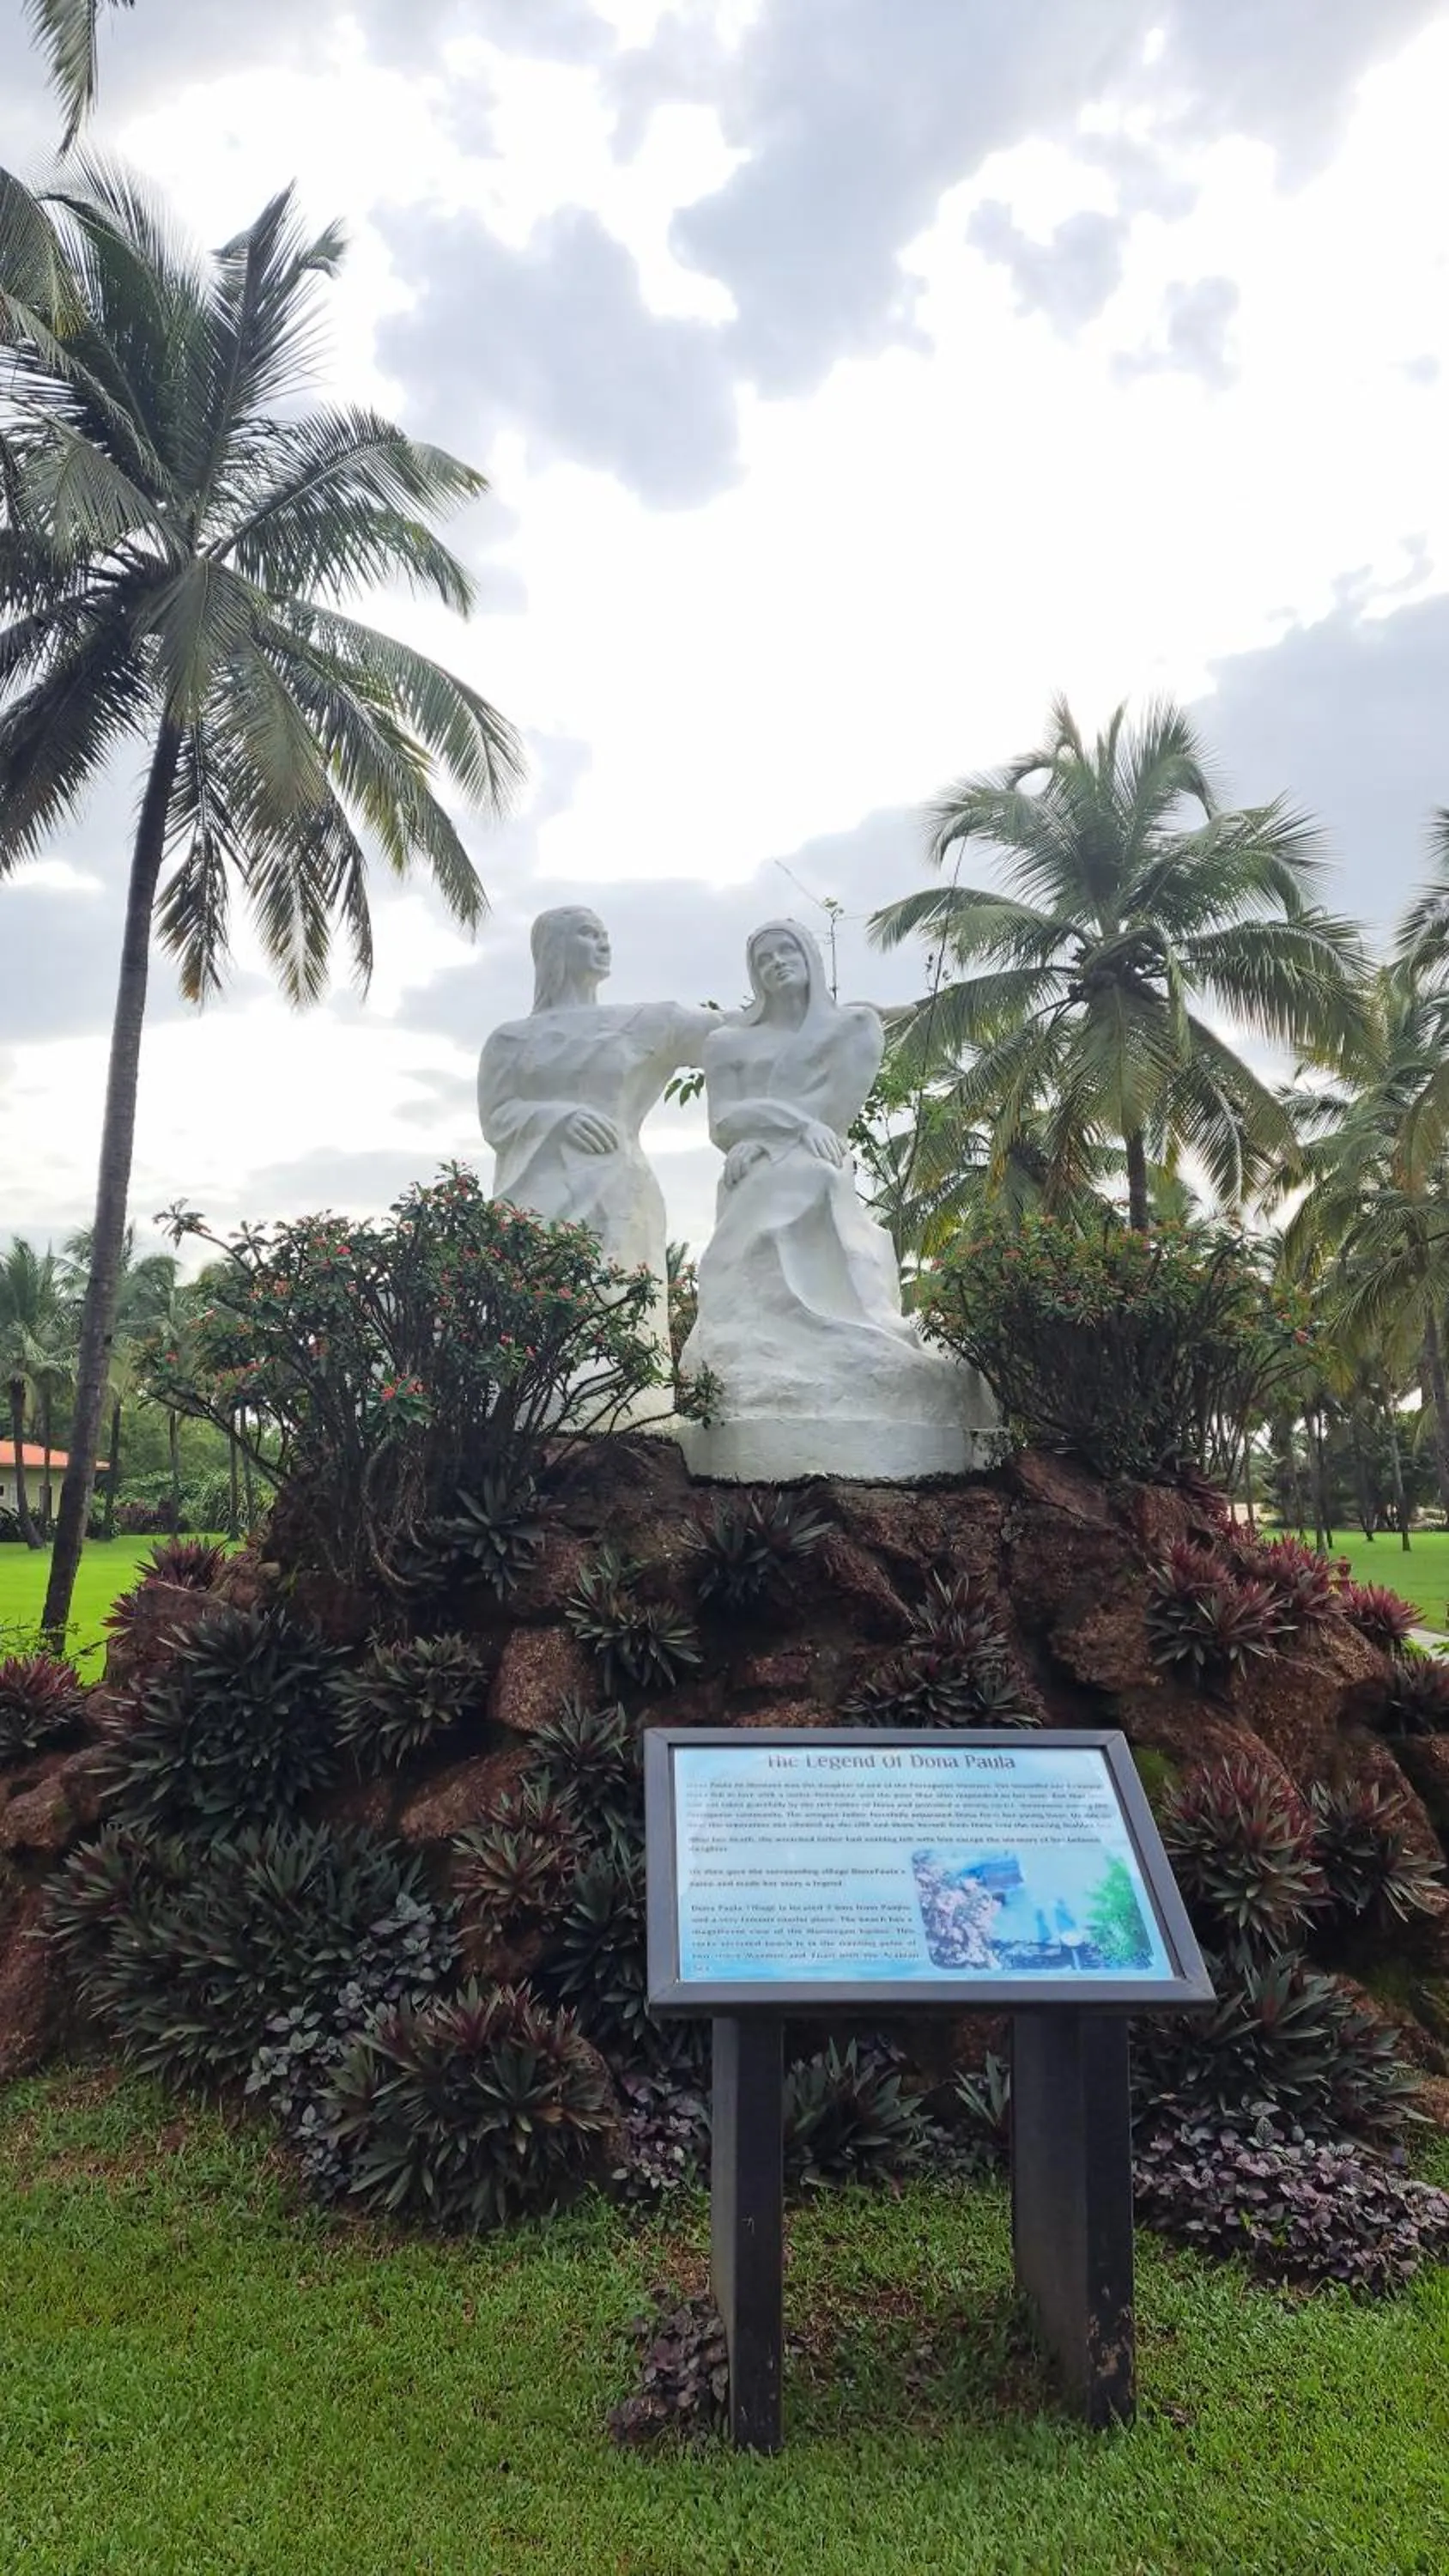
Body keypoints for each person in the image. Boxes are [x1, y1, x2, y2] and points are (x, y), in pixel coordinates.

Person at [679, 919, 985, 1473]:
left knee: (813, 1179)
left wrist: (768, 1135)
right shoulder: (728, 1042)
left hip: (810, 1163)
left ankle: (852, 1330)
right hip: (763, 1163)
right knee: (773, 1183)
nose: (776, 962)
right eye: (764, 957)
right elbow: (724, 1123)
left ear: (809, 957)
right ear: (755, 974)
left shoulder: (848, 1030)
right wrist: (780, 1129)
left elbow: (834, 1117)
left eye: (786, 949)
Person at [477, 907, 716, 1374]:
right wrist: (556, 1117)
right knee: (534, 1319)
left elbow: (737, 1033)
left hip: (618, 1192)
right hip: (533, 1198)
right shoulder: (510, 1040)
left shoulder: (644, 1022)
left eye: (605, 934)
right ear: (554, 948)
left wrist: (820, 1019)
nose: (604, 943)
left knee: (619, 1311)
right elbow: (496, 1119)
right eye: (589, 934)